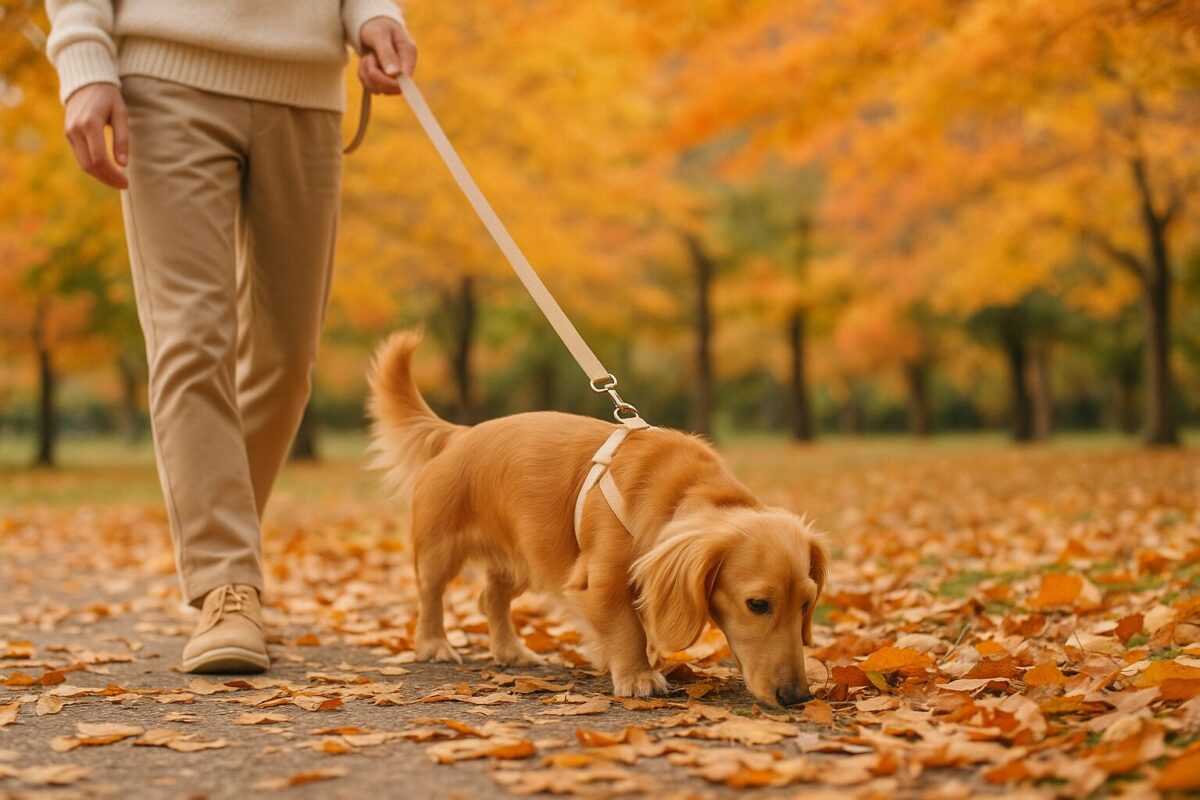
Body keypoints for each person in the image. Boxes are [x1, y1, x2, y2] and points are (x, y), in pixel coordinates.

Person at [45, 1, 417, 674]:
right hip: (164, 81)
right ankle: (227, 585)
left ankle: (226, 557)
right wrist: (82, 57)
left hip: (306, 91)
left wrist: (372, 14)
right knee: (193, 337)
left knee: (287, 358)